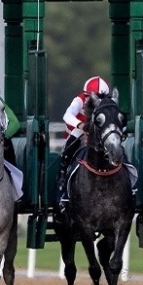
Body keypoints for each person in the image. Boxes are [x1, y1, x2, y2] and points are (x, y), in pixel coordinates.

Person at [55, 76, 110, 211]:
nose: (93, 100)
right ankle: (63, 174)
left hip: (99, 134)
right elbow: (67, 115)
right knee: (75, 138)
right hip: (80, 133)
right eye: (90, 96)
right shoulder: (79, 99)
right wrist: (80, 125)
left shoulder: (109, 102)